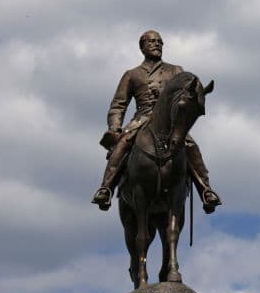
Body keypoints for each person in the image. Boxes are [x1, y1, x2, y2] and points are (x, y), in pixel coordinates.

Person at [91, 30, 222, 213]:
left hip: (170, 121)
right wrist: (115, 127)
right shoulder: (132, 74)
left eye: (160, 42)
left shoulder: (175, 70)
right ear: (142, 46)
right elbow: (118, 105)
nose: (157, 44)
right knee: (124, 143)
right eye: (152, 41)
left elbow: (188, 93)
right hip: (141, 119)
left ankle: (206, 190)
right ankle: (106, 188)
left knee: (190, 145)